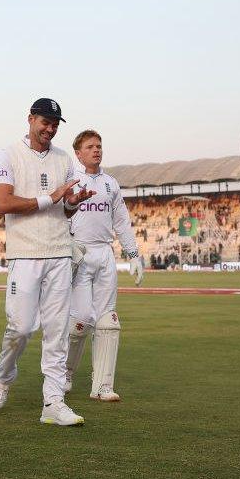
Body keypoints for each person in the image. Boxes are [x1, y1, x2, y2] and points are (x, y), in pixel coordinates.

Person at [0, 98, 95, 426]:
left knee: (57, 331)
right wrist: (54, 197)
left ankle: (53, 402)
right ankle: (4, 378)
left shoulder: (64, 159)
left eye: (55, 124)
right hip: (24, 254)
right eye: (45, 122)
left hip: (60, 252)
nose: (50, 129)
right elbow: (3, 203)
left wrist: (72, 203)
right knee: (19, 328)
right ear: (30, 119)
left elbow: (66, 206)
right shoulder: (8, 154)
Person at [65, 129, 145, 402]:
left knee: (108, 321)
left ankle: (102, 387)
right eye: (90, 146)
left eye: (99, 146)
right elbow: (59, 217)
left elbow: (121, 221)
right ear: (78, 153)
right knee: (80, 320)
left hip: (105, 254)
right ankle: (64, 374)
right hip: (80, 254)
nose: (96, 150)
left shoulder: (111, 183)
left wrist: (133, 255)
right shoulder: (70, 181)